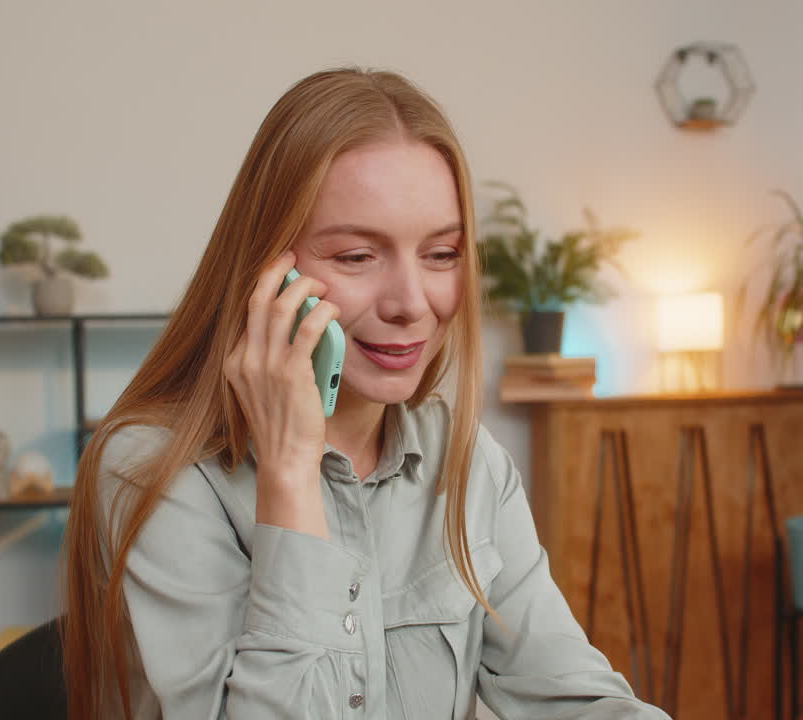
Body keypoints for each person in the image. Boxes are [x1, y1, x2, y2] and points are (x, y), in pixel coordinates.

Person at [61, 67, 670, 720]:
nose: (412, 304)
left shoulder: (468, 464)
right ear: (267, 270)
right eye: (356, 256)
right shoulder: (152, 470)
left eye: (440, 254)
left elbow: (574, 697)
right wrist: (291, 470)